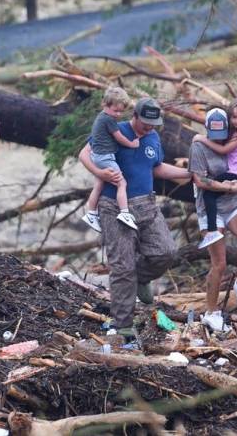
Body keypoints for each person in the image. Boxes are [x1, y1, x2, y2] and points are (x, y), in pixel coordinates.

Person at [78, 97, 191, 333]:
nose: (149, 127)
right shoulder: (114, 129)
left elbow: (156, 167)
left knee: (166, 251)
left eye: (153, 124)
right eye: (145, 123)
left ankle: (140, 277)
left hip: (146, 204)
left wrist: (187, 172)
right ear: (135, 115)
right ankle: (123, 326)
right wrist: (101, 172)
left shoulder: (153, 137)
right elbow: (84, 154)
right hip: (113, 206)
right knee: (122, 267)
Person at [189, 108, 237, 332]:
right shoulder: (198, 147)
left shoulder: (233, 138)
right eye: (214, 134)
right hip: (210, 208)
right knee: (218, 264)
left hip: (233, 203)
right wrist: (229, 186)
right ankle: (211, 312)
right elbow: (200, 180)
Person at [193, 99, 237, 249]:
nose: (236, 121)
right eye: (234, 117)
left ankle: (212, 231)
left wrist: (201, 138)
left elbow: (223, 151)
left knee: (208, 193)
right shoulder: (236, 132)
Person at [81, 87, 141, 233]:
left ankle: (91, 213)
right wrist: (132, 143)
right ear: (105, 105)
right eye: (115, 110)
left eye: (121, 111)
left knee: (99, 185)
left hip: (97, 156)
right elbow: (119, 137)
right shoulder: (109, 120)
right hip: (104, 157)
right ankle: (124, 212)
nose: (118, 114)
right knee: (122, 183)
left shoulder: (103, 117)